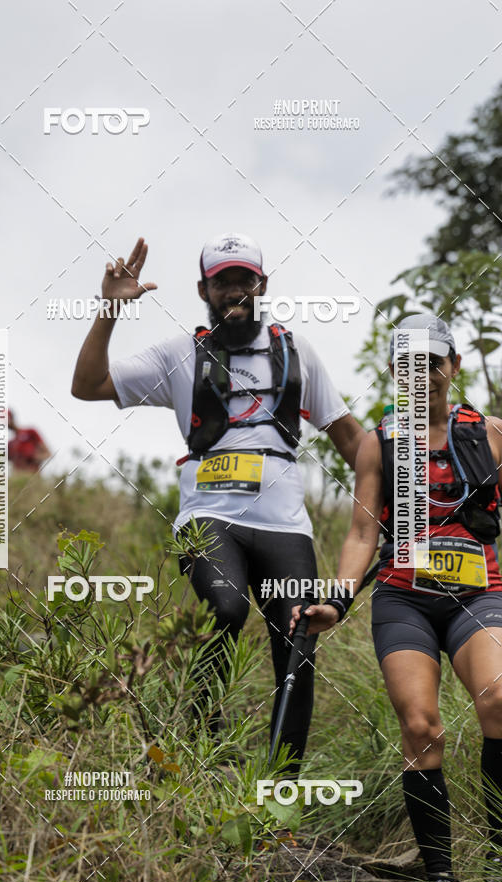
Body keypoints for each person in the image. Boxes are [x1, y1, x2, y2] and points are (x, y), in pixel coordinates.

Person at [72, 233, 365, 773]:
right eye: (222, 280)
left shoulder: (295, 352)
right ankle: (202, 752)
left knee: (298, 641)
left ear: (262, 284)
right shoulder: (179, 354)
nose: (234, 289)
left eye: (243, 278)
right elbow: (87, 386)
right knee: (225, 609)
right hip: (210, 517)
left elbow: (349, 438)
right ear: (204, 288)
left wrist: (395, 497)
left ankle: (280, 792)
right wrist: (111, 308)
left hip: (286, 527)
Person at [290, 313, 502, 882]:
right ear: (393, 373)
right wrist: (338, 598)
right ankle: (441, 878)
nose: (422, 374)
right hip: (405, 597)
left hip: (479, 594)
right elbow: (362, 534)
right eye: (408, 364)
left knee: (500, 700)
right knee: (420, 726)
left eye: (432, 362)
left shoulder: (491, 435)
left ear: (452, 367)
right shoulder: (377, 443)